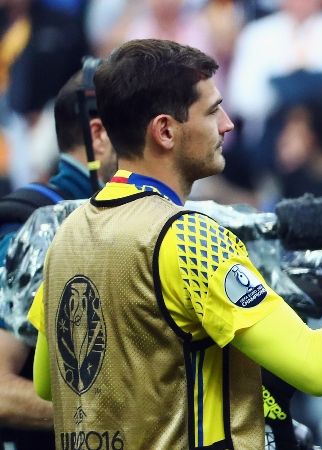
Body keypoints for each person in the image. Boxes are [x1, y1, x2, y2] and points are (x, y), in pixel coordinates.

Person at [26, 38, 322, 449]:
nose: (226, 124)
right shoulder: (187, 237)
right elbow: (316, 364)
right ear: (165, 131)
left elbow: (52, 382)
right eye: (211, 111)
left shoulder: (65, 232)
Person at [0, 62, 117, 450]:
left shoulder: (135, 219)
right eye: (147, 121)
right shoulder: (27, 230)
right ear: (98, 135)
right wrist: (123, 415)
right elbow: (1, 391)